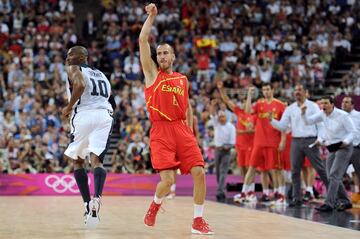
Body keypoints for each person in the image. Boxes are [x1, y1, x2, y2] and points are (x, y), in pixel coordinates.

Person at [139, 3, 213, 235]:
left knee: (199, 172)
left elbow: (188, 106)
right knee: (168, 181)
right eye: (158, 53)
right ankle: (155, 205)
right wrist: (152, 17)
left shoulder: (183, 79)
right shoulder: (152, 74)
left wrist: (191, 131)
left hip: (182, 130)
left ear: (172, 56)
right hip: (161, 131)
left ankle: (197, 221)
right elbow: (143, 41)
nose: (161, 56)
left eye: (165, 53)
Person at [62, 46, 114, 228]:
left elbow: (81, 85)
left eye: (71, 55)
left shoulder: (74, 68)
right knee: (97, 161)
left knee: (77, 161)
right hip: (104, 115)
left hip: (84, 115)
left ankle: (86, 205)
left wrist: (69, 107)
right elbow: (110, 98)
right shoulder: (102, 75)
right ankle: (97, 199)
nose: (67, 58)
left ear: (82, 57)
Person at [269, 84, 328, 207]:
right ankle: (297, 199)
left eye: (300, 90)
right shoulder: (290, 108)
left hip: (311, 140)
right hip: (296, 141)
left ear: (306, 92)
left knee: (320, 169)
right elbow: (283, 126)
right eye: (295, 90)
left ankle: (333, 196)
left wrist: (320, 139)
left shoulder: (313, 106)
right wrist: (271, 121)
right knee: (295, 171)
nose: (297, 92)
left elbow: (321, 124)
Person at [301, 96, 354, 211]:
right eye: (322, 103)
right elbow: (308, 121)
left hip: (344, 146)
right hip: (332, 147)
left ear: (332, 104)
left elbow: (352, 132)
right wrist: (303, 113)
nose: (323, 105)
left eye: (325, 103)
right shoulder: (322, 114)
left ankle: (329, 203)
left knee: (334, 175)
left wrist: (346, 142)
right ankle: (345, 200)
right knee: (330, 176)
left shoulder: (343, 115)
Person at [241, 84, 287, 205]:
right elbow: (247, 111)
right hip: (259, 142)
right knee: (252, 167)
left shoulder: (280, 105)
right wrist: (249, 96)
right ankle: (244, 192)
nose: (266, 91)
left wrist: (283, 140)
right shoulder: (259, 104)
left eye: (268, 89)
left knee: (276, 170)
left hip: (274, 142)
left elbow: (284, 125)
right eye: (264, 90)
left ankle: (280, 195)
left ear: (273, 90)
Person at [216, 81, 255, 202]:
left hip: (250, 145)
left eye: (245, 102)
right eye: (243, 102)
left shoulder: (253, 115)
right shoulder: (239, 112)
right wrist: (221, 89)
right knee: (243, 169)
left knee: (250, 169)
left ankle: (251, 192)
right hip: (240, 146)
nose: (243, 104)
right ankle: (246, 190)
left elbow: (254, 130)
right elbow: (227, 101)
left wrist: (242, 132)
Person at [209, 99, 236, 202]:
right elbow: (212, 114)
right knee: (218, 172)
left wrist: (227, 146)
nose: (221, 118)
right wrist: (213, 105)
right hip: (217, 150)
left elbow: (233, 142)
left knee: (223, 171)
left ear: (226, 117)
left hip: (226, 150)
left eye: (222, 117)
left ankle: (219, 191)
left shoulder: (231, 127)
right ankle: (221, 189)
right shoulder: (217, 124)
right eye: (219, 117)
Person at [341, 96, 360, 204]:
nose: (344, 104)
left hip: (356, 148)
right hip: (343, 148)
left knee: (358, 172)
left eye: (347, 102)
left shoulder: (358, 115)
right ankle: (341, 197)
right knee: (337, 173)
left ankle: (357, 194)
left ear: (352, 105)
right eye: (343, 102)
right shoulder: (339, 116)